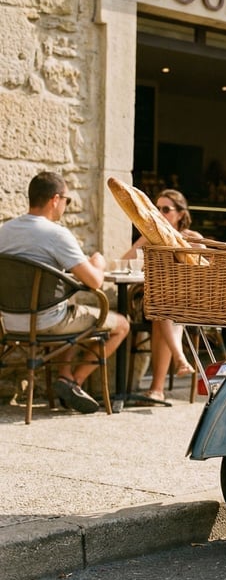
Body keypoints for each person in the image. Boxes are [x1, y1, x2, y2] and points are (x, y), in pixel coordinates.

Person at [0, 171, 130, 413]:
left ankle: (64, 375)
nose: (66, 206)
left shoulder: (4, 231)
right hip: (49, 321)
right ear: (55, 199)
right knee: (122, 324)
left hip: (10, 323)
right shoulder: (57, 234)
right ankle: (74, 381)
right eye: (67, 201)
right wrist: (98, 263)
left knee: (72, 307)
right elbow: (94, 282)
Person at [122, 189, 203, 403]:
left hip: (186, 302)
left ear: (180, 214)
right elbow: (124, 262)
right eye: (157, 209)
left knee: (164, 309)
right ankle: (177, 361)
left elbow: (203, 270)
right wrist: (142, 240)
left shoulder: (192, 238)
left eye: (165, 209)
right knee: (163, 305)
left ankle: (158, 387)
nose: (159, 213)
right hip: (149, 301)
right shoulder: (150, 238)